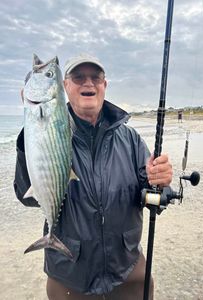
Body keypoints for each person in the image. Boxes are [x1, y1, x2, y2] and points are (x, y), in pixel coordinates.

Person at [14, 54, 173, 300]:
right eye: (78, 77)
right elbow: (28, 197)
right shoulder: (48, 134)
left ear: (105, 85)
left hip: (128, 268)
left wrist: (161, 182)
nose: (88, 83)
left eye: (95, 77)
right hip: (69, 273)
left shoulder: (130, 140)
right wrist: (32, 130)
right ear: (65, 86)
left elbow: (152, 193)